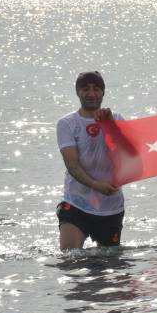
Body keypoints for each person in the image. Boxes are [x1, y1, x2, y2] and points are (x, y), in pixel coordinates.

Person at [56, 71, 125, 249]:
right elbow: (72, 165)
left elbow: (125, 157)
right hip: (76, 202)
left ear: (103, 92)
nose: (91, 93)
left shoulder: (117, 119)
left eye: (96, 89)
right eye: (85, 89)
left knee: (108, 265)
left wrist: (109, 127)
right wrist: (95, 185)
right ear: (78, 92)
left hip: (110, 206)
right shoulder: (67, 123)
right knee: (70, 259)